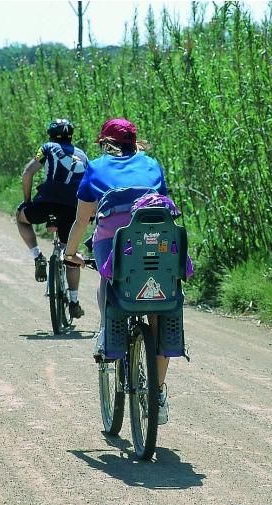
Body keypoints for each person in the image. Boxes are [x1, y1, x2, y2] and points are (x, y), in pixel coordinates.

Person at [63, 118, 175, 424]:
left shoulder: (96, 168)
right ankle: (158, 393)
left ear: (105, 144)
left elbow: (82, 220)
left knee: (108, 274)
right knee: (161, 312)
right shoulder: (152, 164)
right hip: (156, 244)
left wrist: (70, 253)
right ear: (134, 142)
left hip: (117, 247)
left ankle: (106, 331)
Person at [16, 118, 89, 318]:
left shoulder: (47, 147)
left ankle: (37, 255)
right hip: (72, 208)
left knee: (21, 217)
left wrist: (27, 201)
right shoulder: (83, 155)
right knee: (70, 253)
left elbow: (27, 173)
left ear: (50, 135)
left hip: (46, 202)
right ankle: (74, 302)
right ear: (71, 136)